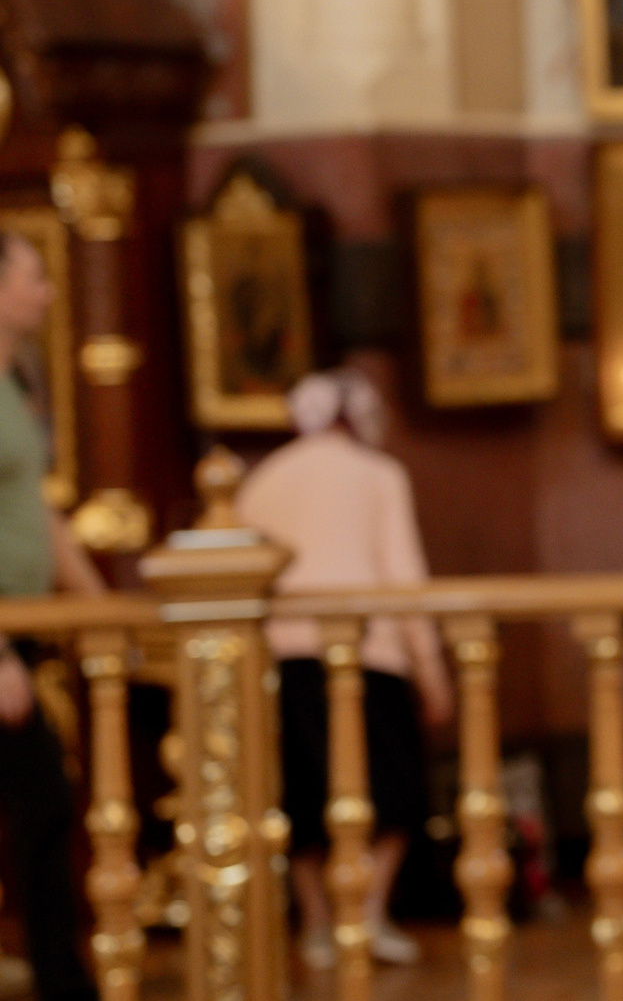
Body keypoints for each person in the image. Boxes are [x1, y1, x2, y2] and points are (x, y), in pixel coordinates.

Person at [234, 368, 452, 972]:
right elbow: (403, 572)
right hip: (370, 653)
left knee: (306, 795)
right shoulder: (379, 475)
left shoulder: (263, 478)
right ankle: (369, 913)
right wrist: (431, 669)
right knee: (395, 792)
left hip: (285, 658)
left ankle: (318, 926)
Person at [0, 228, 104, 1001]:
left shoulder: (17, 382)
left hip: (22, 631)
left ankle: (62, 980)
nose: (47, 290)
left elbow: (36, 511)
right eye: (34, 276)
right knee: (42, 798)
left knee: (43, 803)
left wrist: (103, 607)